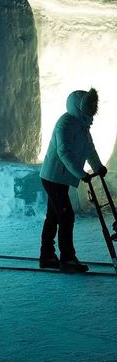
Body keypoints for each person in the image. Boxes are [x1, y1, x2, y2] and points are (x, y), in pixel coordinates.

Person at [39, 88, 107, 273]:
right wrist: (80, 173)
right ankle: (67, 259)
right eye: (88, 106)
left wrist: (98, 167)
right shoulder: (65, 124)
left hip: (60, 178)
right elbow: (64, 152)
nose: (91, 110)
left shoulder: (82, 125)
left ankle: (47, 256)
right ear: (79, 106)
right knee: (66, 217)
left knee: (54, 216)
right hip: (53, 177)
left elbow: (89, 149)